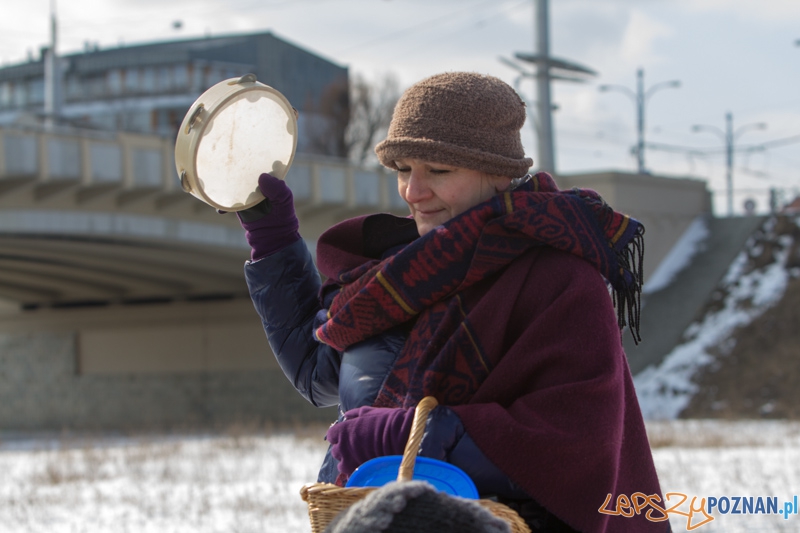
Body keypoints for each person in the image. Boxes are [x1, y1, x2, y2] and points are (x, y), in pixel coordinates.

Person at [235, 72, 668, 532]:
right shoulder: (397, 274)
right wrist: (274, 237)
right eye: (403, 169)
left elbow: (578, 445)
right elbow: (316, 371)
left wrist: (414, 435)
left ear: (501, 172)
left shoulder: (560, 280)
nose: (413, 192)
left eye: (439, 171)